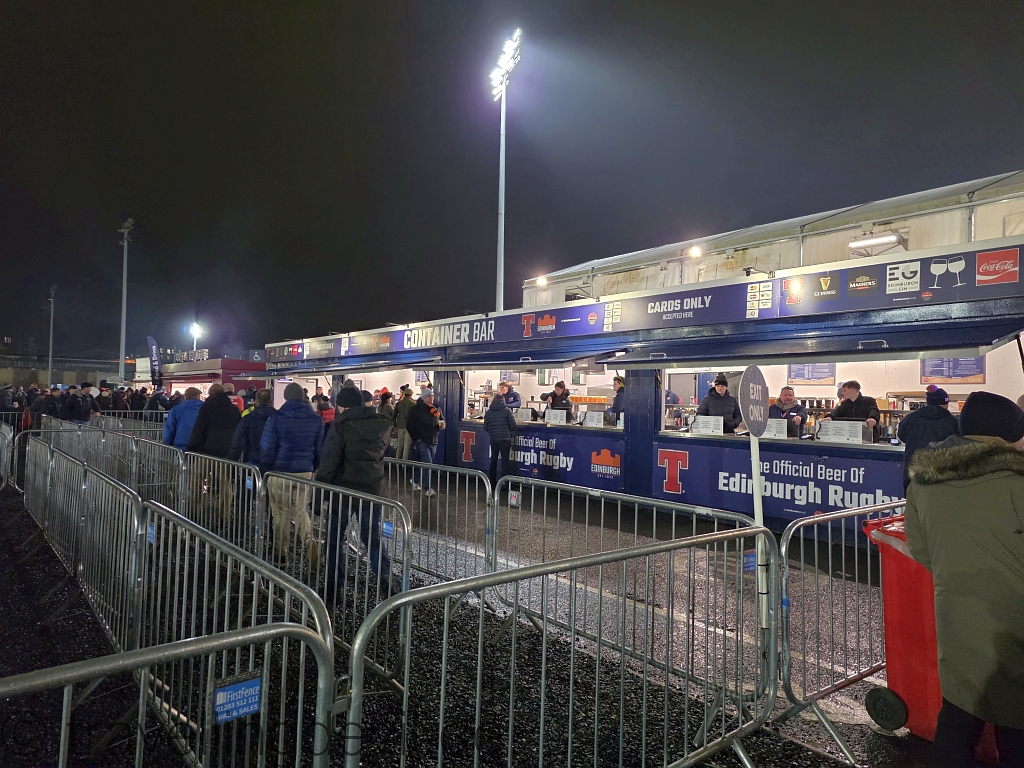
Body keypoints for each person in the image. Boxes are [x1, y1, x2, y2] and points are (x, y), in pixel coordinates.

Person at [905, 391, 1024, 767]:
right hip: (1013, 624)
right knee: (1016, 726)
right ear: (1007, 434)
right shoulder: (1016, 481)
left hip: (956, 617)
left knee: (959, 715)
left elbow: (920, 549)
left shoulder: (924, 479)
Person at [315, 384, 399, 597]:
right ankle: (387, 578)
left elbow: (329, 463)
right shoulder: (382, 424)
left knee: (335, 539)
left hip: (343, 491)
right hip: (372, 489)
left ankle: (334, 587)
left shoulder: (340, 426)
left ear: (343, 406)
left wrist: (318, 497)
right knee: (373, 537)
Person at [260, 382, 324, 564]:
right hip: (305, 472)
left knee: (280, 513)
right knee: (300, 510)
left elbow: (267, 446)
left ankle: (281, 553)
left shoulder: (276, 417)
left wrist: (266, 468)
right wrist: (312, 467)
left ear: (286, 397)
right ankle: (309, 540)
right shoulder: (315, 419)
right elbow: (320, 449)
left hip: (280, 471)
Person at [896, 385, 960, 493]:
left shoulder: (910, 418)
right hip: (942, 476)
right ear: (945, 403)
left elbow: (901, 436)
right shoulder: (953, 422)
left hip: (913, 473)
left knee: (912, 502)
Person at [186, 383, 241, 458]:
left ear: (210, 393)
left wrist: (191, 449)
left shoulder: (206, 408)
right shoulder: (234, 409)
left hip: (208, 450)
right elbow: (239, 430)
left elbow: (198, 429)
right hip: (229, 449)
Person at [406, 387, 443, 496]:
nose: (432, 398)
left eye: (433, 396)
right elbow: (410, 425)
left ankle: (415, 480)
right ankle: (428, 488)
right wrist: (416, 438)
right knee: (428, 464)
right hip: (422, 441)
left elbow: (441, 419)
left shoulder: (436, 408)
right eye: (430, 396)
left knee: (421, 463)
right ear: (424, 398)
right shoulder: (415, 410)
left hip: (433, 440)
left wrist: (442, 424)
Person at [228, 388, 275, 470]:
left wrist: (232, 461)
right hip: (273, 462)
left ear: (256, 401)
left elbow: (237, 441)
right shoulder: (278, 417)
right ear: (270, 401)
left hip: (251, 461)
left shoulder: (248, 418)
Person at [484, 393, 517, 487]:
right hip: (505, 439)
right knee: (505, 462)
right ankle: (505, 484)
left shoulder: (488, 412)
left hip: (494, 439)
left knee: (493, 460)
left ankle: (492, 483)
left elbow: (485, 427)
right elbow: (513, 425)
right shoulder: (507, 411)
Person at [163, 387, 203, 452]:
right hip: (201, 446)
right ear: (198, 396)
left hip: (180, 446)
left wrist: (167, 443)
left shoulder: (176, 409)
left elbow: (170, 428)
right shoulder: (205, 408)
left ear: (185, 396)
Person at [394, 386, 416, 460]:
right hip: (409, 427)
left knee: (400, 445)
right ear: (411, 395)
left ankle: (397, 462)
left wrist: (395, 425)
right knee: (406, 446)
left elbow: (394, 415)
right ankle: (404, 464)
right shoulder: (413, 404)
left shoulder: (398, 403)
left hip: (400, 426)